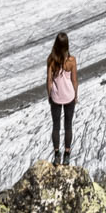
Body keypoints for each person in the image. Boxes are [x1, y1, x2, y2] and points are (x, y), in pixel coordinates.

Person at [44, 33, 79, 165]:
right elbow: (74, 80)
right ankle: (67, 154)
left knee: (56, 126)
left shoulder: (51, 61)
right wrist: (75, 95)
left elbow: (49, 81)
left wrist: (49, 95)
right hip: (69, 96)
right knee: (68, 125)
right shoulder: (72, 61)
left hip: (56, 97)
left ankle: (57, 154)